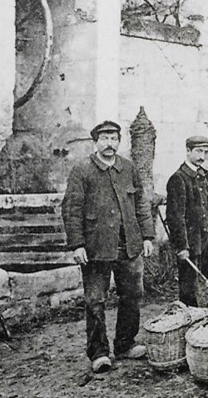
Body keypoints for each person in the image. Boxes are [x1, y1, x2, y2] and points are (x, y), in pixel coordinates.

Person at [61, 120, 155, 373]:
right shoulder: (82, 170)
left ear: (119, 142)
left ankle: (125, 343)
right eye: (104, 138)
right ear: (96, 141)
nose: (109, 144)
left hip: (129, 245)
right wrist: (77, 245)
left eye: (114, 138)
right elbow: (71, 210)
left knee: (133, 295)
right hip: (96, 247)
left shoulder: (128, 168)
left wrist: (147, 236)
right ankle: (99, 352)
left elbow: (141, 204)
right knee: (95, 300)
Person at [165, 135, 208, 307]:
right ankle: (190, 319)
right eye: (198, 151)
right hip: (192, 241)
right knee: (189, 285)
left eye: (206, 152)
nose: (202, 156)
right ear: (188, 151)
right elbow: (175, 217)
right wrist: (181, 246)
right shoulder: (178, 179)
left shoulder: (207, 176)